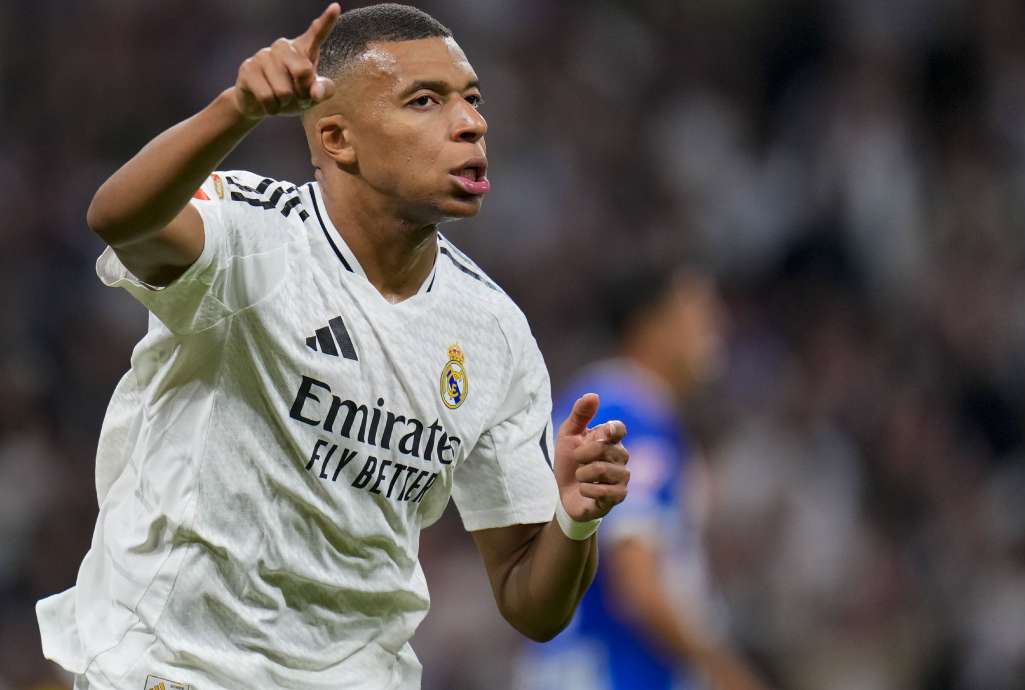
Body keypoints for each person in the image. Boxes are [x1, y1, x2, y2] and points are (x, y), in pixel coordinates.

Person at [35, 4, 632, 688]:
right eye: (425, 101)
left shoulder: (494, 332)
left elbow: (532, 604)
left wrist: (576, 518)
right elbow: (117, 218)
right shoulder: (251, 235)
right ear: (338, 138)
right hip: (175, 665)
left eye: (472, 99)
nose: (471, 123)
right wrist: (237, 107)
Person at [517, 267, 769, 690]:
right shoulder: (631, 415)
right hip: (614, 671)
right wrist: (724, 670)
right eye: (698, 311)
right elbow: (637, 579)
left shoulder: (595, 401)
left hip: (570, 663)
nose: (717, 326)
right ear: (649, 324)